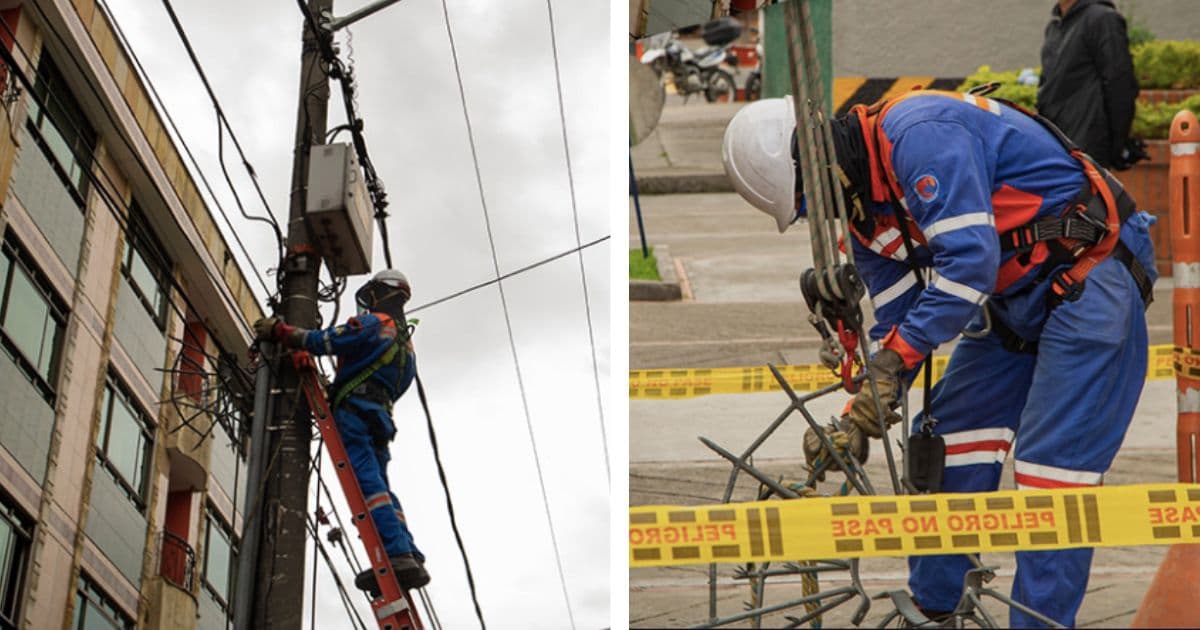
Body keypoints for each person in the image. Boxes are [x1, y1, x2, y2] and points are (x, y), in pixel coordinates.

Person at [721, 90, 1156, 627]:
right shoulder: (866, 217)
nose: (817, 216)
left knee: (1051, 476)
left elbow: (969, 266)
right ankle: (933, 611)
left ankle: (1039, 623)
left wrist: (893, 363)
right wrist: (861, 412)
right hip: (1015, 297)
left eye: (809, 200)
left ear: (814, 159)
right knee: (948, 440)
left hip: (1092, 275)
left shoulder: (920, 135)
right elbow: (899, 328)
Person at [253, 269, 430, 594]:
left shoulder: (374, 323)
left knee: (368, 485)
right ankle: (409, 553)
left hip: (356, 414)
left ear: (379, 294)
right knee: (381, 488)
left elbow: (326, 341)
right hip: (381, 417)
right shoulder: (407, 344)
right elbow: (400, 385)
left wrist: (280, 331)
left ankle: (396, 554)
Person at [1038, 0, 1141, 170]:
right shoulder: (1055, 27)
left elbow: (1120, 84)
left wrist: (1117, 145)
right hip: (1057, 146)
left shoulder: (1103, 19)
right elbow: (1048, 88)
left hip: (1088, 148)